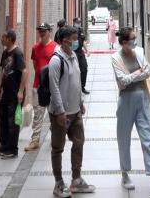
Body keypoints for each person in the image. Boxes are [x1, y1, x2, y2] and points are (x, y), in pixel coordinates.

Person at [111, 27, 150, 194]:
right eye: (132, 39)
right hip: (126, 101)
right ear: (124, 42)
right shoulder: (115, 58)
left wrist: (133, 75)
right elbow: (122, 81)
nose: (135, 41)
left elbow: (147, 73)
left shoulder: (139, 51)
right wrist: (138, 73)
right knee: (123, 138)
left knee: (148, 138)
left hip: (142, 99)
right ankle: (125, 174)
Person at [48, 25, 96, 197]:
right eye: (74, 39)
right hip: (61, 114)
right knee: (58, 148)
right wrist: (60, 111)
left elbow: (76, 82)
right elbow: (54, 88)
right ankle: (58, 183)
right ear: (64, 41)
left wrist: (80, 102)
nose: (77, 41)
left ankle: (76, 180)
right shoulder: (56, 61)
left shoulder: (74, 55)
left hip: (75, 111)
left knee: (79, 142)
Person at [0, 30, 26, 159]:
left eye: (4, 37)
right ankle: (5, 145)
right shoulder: (5, 52)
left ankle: (13, 149)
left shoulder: (17, 53)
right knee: (3, 119)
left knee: (13, 122)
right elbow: (3, 71)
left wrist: (20, 91)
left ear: (10, 39)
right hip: (6, 92)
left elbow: (24, 72)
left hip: (15, 94)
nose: (1, 39)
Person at [26, 22, 57, 152]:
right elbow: (35, 65)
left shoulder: (56, 48)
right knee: (38, 114)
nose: (41, 33)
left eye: (44, 31)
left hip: (52, 87)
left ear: (49, 32)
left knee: (53, 114)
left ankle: (56, 138)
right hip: (38, 85)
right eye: (40, 31)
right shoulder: (35, 48)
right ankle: (35, 140)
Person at [72, 17, 89, 95]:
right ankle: (75, 88)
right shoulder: (71, 30)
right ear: (74, 22)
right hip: (73, 52)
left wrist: (87, 50)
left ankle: (82, 87)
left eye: (79, 22)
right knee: (75, 71)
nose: (79, 23)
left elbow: (83, 41)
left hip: (80, 52)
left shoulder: (81, 30)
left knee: (84, 68)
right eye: (77, 22)